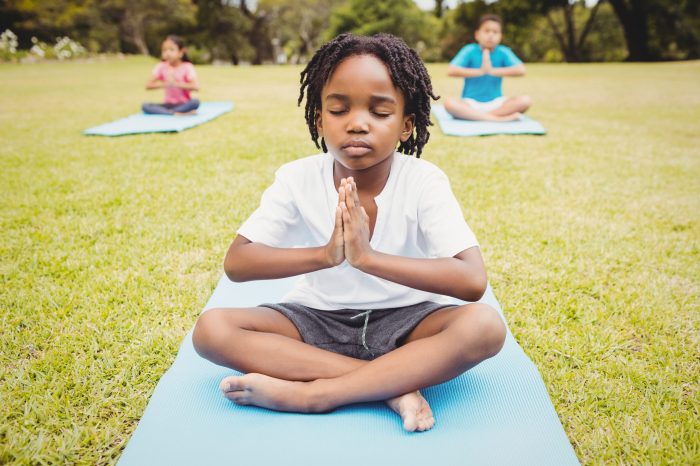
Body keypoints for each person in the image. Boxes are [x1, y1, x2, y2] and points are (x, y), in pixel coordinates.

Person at [192, 33, 506, 433]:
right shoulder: (296, 178)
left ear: (407, 124)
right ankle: (390, 385)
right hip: (316, 319)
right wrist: (327, 256)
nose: (358, 123)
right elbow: (238, 262)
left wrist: (368, 259)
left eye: (379, 111)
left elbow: (471, 280)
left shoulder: (424, 180)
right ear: (320, 120)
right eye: (339, 109)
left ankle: (316, 395)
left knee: (484, 326)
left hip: (409, 322)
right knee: (212, 330)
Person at [444, 14, 531, 122]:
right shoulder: (469, 50)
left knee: (525, 100)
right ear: (477, 34)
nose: (490, 35)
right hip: (470, 103)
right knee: (449, 103)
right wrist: (480, 71)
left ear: (500, 36)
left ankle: (481, 117)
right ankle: (497, 119)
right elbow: (451, 70)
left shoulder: (503, 51)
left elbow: (521, 70)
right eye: (487, 31)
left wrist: (492, 71)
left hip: (497, 103)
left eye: (495, 32)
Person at [142, 35, 200, 116]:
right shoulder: (161, 67)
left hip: (184, 104)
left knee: (195, 102)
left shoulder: (187, 67)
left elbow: (196, 86)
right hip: (168, 105)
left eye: (171, 50)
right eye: (164, 50)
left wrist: (176, 84)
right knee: (145, 106)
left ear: (181, 52)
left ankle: (173, 112)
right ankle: (175, 113)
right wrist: (165, 84)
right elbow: (148, 85)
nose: (167, 53)